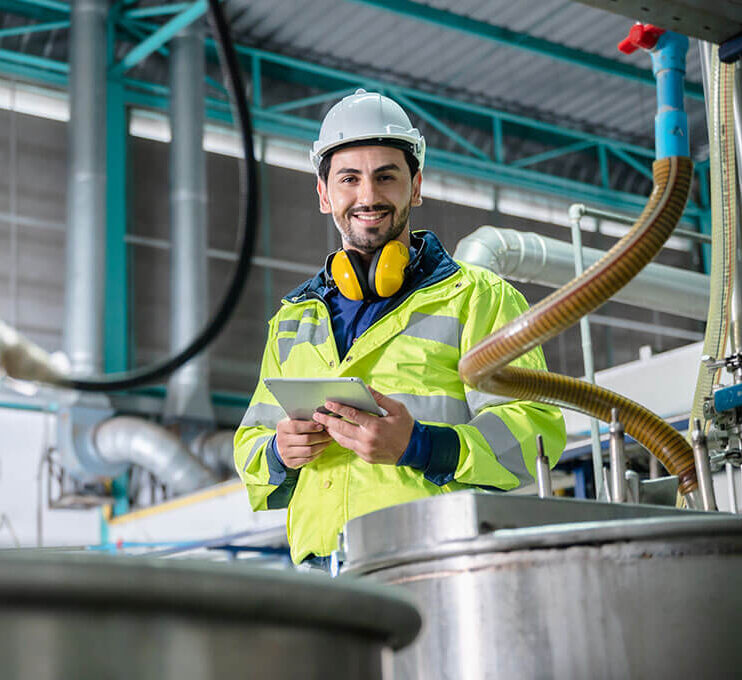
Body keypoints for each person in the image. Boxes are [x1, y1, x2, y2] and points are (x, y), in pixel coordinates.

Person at [234, 89, 566, 566]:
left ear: (415, 187)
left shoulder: (480, 298)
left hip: (431, 559)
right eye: (349, 179)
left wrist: (420, 446)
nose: (368, 196)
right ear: (325, 195)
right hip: (318, 571)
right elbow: (250, 447)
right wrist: (279, 452)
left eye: (385, 176)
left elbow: (536, 434)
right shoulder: (294, 319)